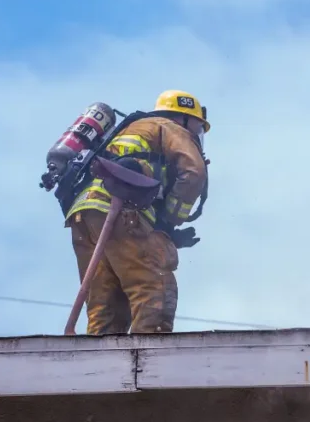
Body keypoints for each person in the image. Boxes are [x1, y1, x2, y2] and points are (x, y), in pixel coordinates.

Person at [65, 90, 210, 335]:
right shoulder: (169, 127)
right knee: (155, 289)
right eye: (198, 125)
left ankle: (100, 367)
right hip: (123, 212)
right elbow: (193, 173)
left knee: (105, 303)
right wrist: (170, 222)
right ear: (183, 117)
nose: (197, 133)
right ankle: (150, 362)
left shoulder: (129, 130)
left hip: (85, 214)